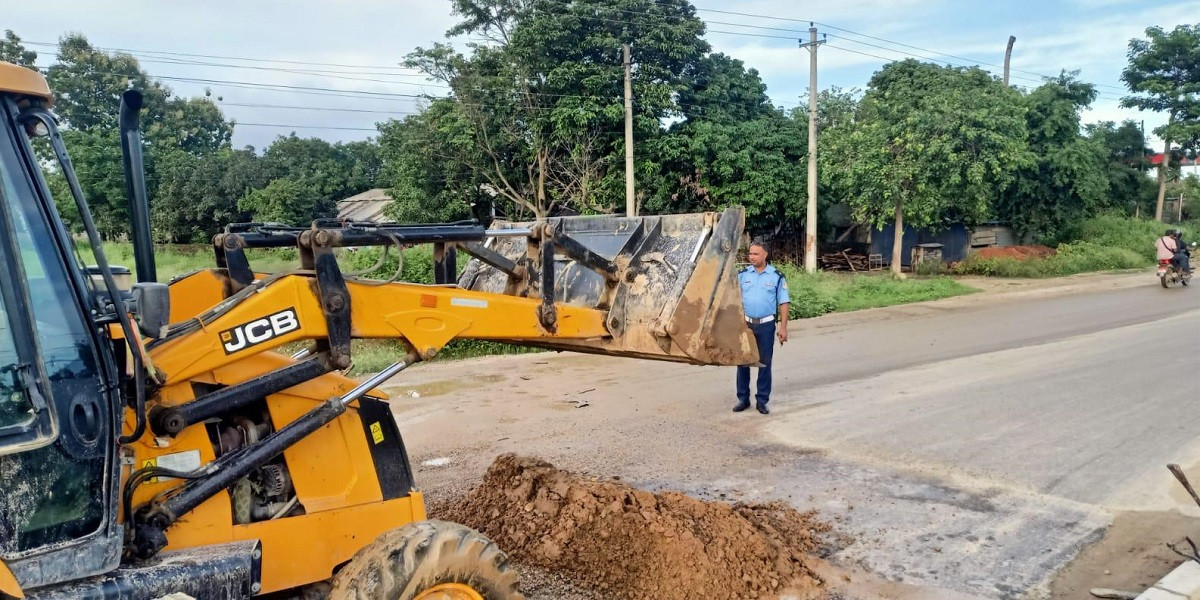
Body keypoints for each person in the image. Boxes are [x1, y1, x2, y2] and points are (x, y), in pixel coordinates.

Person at [734, 240, 790, 415]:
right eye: (750, 254)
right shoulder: (742, 275)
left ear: (765, 254)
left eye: (756, 254)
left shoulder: (776, 276)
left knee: (764, 363)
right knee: (742, 362)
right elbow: (734, 299)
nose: (752, 257)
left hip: (766, 325)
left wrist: (783, 328)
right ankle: (743, 399)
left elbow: (784, 302)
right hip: (746, 324)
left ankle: (762, 400)